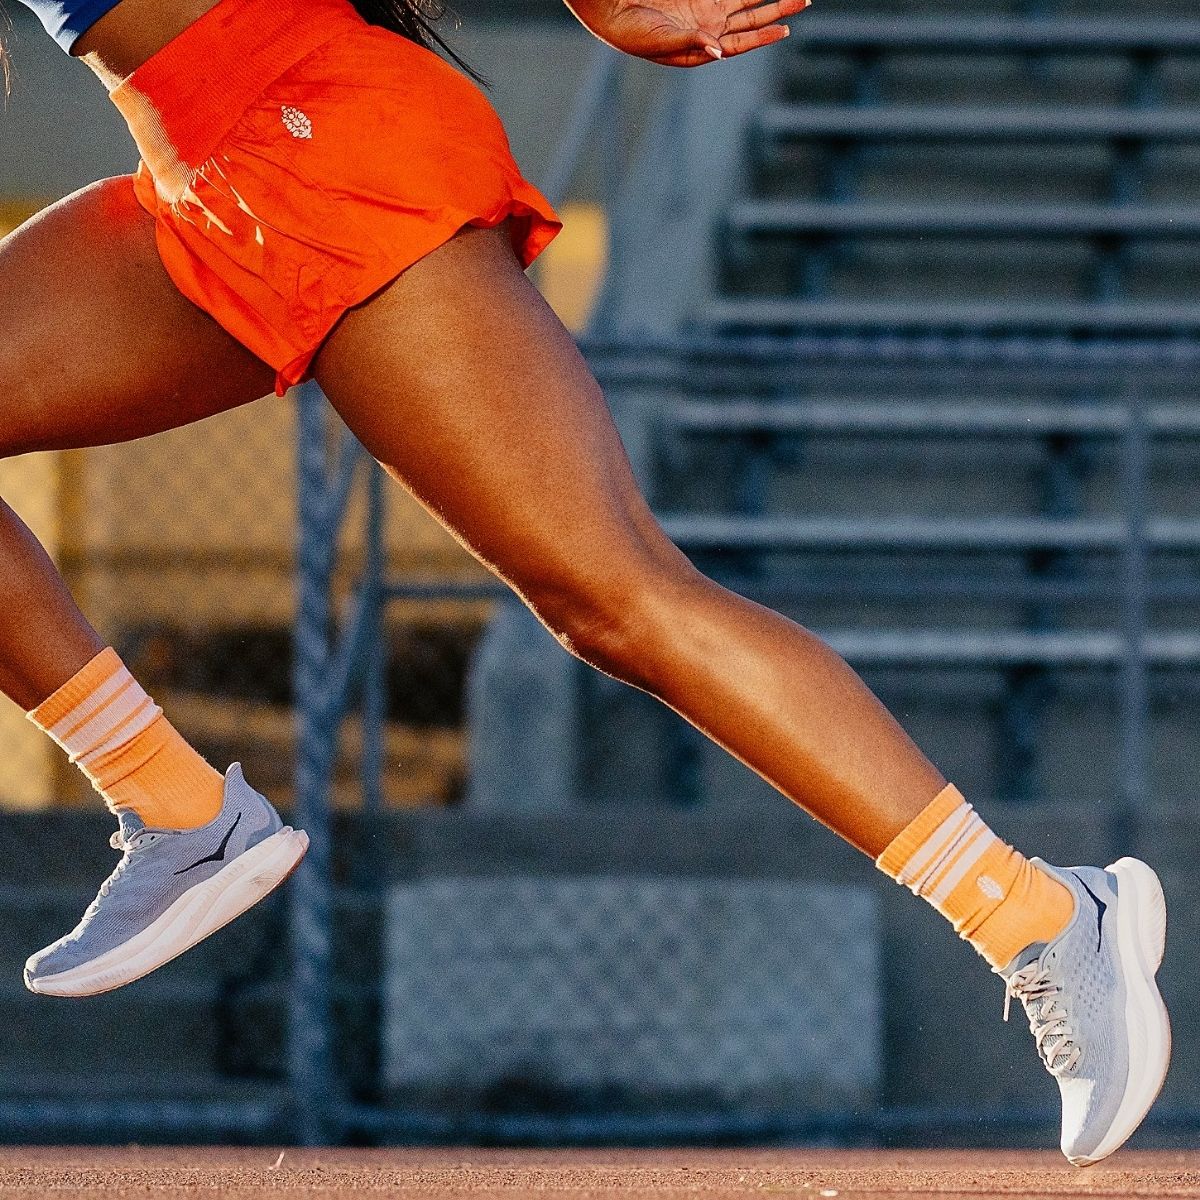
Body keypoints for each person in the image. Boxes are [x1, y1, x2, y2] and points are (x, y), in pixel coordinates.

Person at [0, 0, 1169, 1165]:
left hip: (320, 141)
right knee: (613, 600)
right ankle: (177, 808)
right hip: (199, 165)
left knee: (617, 601)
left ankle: (1041, 916)